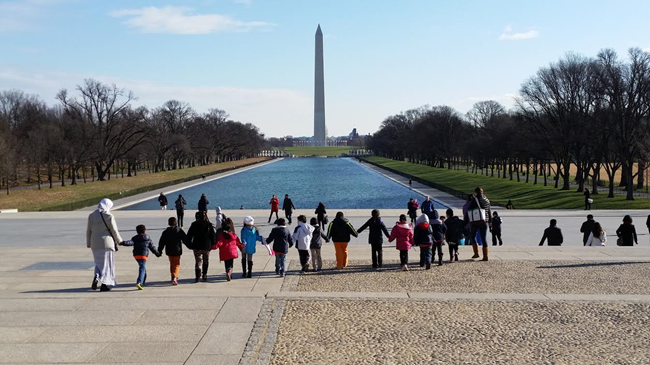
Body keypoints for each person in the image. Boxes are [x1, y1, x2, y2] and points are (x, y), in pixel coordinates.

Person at [86, 198, 123, 292]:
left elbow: (88, 230)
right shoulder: (109, 216)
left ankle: (97, 276)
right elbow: (114, 230)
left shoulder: (92, 215)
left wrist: (88, 243)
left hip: (95, 243)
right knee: (107, 264)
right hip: (106, 243)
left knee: (98, 263)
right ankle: (105, 284)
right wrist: (120, 241)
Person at [120, 224, 161, 290]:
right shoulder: (148, 239)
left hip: (136, 255)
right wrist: (157, 254)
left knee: (143, 268)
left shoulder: (135, 238)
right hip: (143, 255)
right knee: (142, 268)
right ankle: (139, 282)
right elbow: (152, 248)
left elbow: (130, 242)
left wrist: (123, 243)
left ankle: (142, 282)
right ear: (145, 231)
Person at [186, 211, 216, 282]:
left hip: (196, 246)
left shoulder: (194, 224)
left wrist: (190, 245)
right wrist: (213, 244)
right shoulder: (209, 225)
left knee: (198, 260)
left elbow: (189, 236)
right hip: (206, 246)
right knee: (206, 260)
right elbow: (213, 236)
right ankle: (204, 274)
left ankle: (198, 275)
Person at [158, 217, 187, 285]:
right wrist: (190, 246)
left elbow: (161, 242)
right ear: (176, 222)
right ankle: (175, 277)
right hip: (177, 250)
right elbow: (185, 239)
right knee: (177, 264)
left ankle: (172, 276)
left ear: (168, 223)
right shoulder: (179, 230)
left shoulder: (165, 232)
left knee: (172, 263)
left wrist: (159, 250)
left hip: (169, 250)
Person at [467, 187, 491, 261]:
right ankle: (485, 256)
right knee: (484, 238)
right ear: (482, 192)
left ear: (476, 192)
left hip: (476, 221)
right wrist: (490, 221)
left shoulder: (475, 200)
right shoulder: (487, 200)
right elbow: (489, 211)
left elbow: (469, 210)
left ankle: (476, 253)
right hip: (485, 221)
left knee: (472, 236)